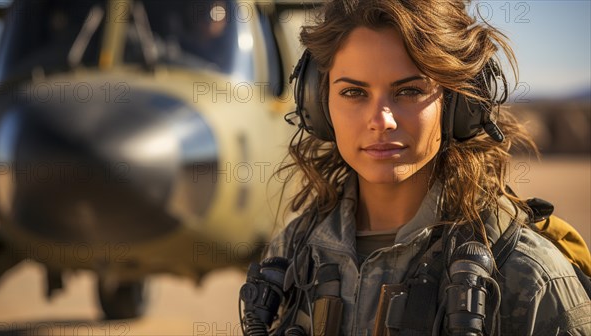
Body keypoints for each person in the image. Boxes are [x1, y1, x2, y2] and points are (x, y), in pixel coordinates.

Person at [239, 0, 591, 335]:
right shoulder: (291, 256)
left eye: (409, 91)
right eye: (354, 93)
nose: (381, 120)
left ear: (460, 103)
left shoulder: (527, 273)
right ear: (318, 105)